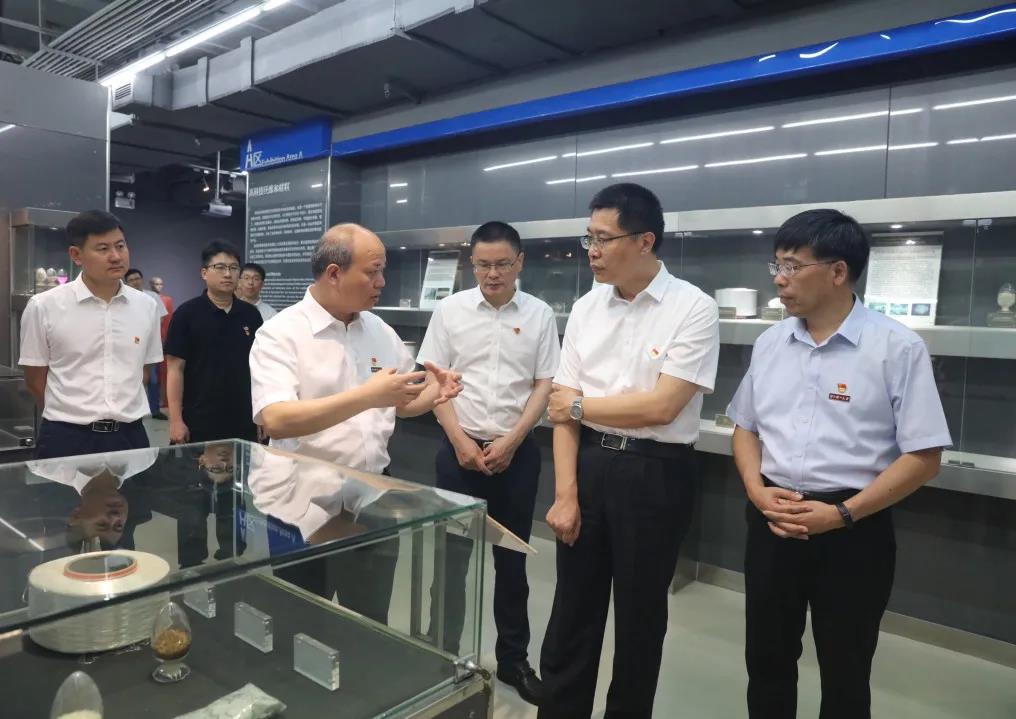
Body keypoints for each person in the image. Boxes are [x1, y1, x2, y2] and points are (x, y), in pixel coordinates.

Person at [726, 209, 951, 719]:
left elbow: (924, 456)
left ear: (837, 271)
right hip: (772, 518)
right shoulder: (771, 342)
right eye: (776, 265)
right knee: (767, 659)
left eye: (792, 265)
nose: (779, 279)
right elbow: (745, 427)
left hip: (853, 529)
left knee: (846, 668)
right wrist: (755, 490)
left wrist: (843, 513)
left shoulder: (897, 348)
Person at [539, 183, 720, 719]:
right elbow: (560, 411)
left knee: (641, 618)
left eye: (603, 239)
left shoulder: (693, 308)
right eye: (588, 238)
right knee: (572, 610)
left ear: (645, 241)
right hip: (589, 461)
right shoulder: (586, 307)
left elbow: (662, 406)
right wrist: (565, 494)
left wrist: (579, 406)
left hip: (656, 473)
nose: (592, 251)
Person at [248, 223, 462, 620]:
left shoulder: (378, 330)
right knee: (300, 620)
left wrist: (435, 391)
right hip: (302, 501)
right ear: (334, 273)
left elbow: (400, 404)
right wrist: (368, 395)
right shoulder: (280, 334)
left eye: (382, 271)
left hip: (372, 498)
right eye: (373, 272)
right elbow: (276, 419)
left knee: (368, 621)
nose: (382, 282)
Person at [418, 220, 560, 705]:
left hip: (516, 457)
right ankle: (443, 653)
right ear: (471, 263)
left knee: (512, 563)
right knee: (450, 558)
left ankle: (513, 660)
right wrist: (460, 441)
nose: (492, 274)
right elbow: (435, 381)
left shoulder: (539, 314)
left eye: (502, 264)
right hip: (458, 452)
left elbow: (544, 383)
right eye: (482, 265)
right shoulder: (450, 310)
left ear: (520, 262)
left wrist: (514, 440)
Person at [18, 210, 162, 460]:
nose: (116, 256)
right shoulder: (44, 306)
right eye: (103, 248)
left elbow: (143, 371)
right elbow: (34, 379)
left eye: (120, 246)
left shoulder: (146, 306)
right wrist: (69, 414)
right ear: (76, 255)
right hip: (67, 437)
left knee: (135, 488)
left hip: (131, 436)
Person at [165, 241, 263, 444]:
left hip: (244, 419)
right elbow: (175, 369)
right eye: (220, 267)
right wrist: (175, 420)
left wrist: (262, 413)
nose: (227, 274)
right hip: (199, 420)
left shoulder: (251, 315)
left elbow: (260, 368)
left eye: (233, 268)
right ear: (204, 273)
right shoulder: (186, 314)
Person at [125, 268, 169, 420]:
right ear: (127, 283)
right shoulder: (124, 298)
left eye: (137, 278)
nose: (135, 282)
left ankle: (154, 410)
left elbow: (160, 318)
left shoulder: (153, 296)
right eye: (131, 280)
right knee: (132, 378)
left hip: (150, 343)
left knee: (153, 379)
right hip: (130, 345)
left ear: (142, 280)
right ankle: (134, 409)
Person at [150, 275, 174, 414]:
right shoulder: (148, 298)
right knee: (152, 374)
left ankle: (164, 401)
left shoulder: (167, 300)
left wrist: (167, 338)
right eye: (156, 284)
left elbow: (169, 320)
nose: (159, 286)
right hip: (150, 338)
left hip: (163, 339)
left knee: (163, 372)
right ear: (151, 285)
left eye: (160, 284)